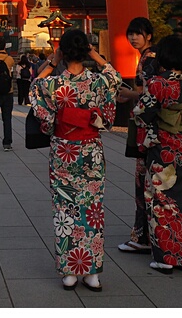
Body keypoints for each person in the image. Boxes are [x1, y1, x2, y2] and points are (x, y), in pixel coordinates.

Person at [29, 28, 122, 291]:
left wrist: (52, 60)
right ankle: (92, 272)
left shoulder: (54, 84)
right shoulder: (98, 81)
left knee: (65, 209)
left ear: (63, 51)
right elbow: (115, 77)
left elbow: (34, 86)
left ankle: (69, 271)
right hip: (90, 149)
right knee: (92, 209)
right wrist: (96, 55)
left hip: (63, 151)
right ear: (86, 51)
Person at [133, 35, 182, 273]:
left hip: (163, 146)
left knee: (161, 201)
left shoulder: (157, 82)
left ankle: (165, 257)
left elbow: (140, 113)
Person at [115, 17, 159, 254]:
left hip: (148, 130)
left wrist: (130, 94)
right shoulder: (147, 57)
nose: (133, 38)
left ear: (148, 36)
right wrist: (131, 94)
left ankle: (142, 236)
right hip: (148, 128)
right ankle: (148, 235)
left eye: (138, 34)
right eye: (130, 34)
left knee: (143, 182)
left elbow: (150, 93)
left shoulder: (149, 58)